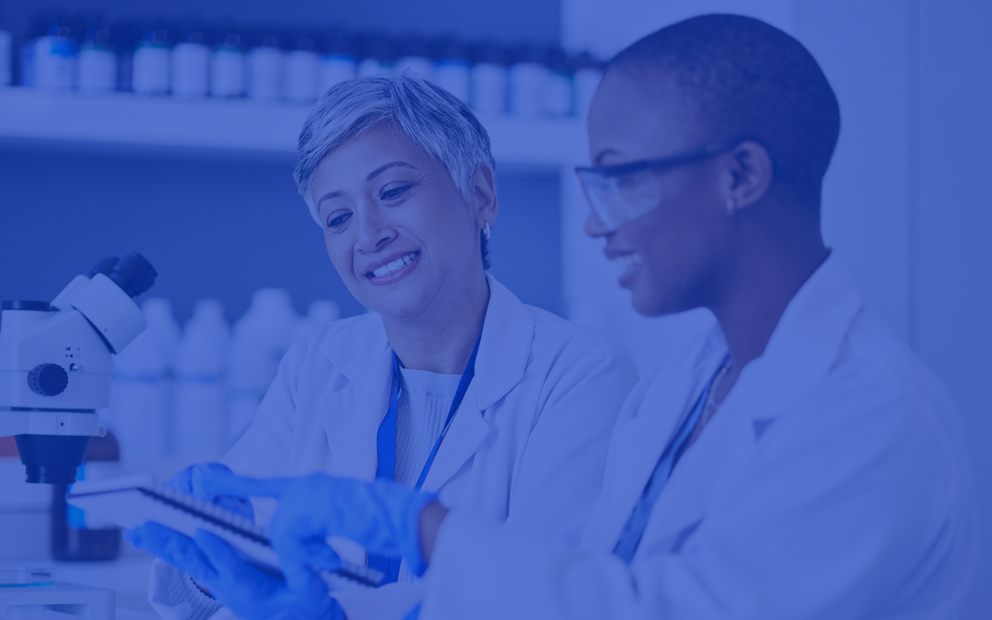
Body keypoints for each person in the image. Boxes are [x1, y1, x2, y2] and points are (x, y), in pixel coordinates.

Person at [131, 14, 979, 619]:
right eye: (337, 216)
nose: (595, 220)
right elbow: (581, 589)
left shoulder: (869, 415)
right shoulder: (684, 385)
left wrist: (421, 532)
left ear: (741, 176)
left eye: (623, 176)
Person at [125, 74, 638, 620]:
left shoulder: (580, 374)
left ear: (481, 195)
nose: (368, 234)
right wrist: (208, 560)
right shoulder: (317, 366)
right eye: (338, 218)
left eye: (393, 192)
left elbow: (546, 600)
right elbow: (212, 586)